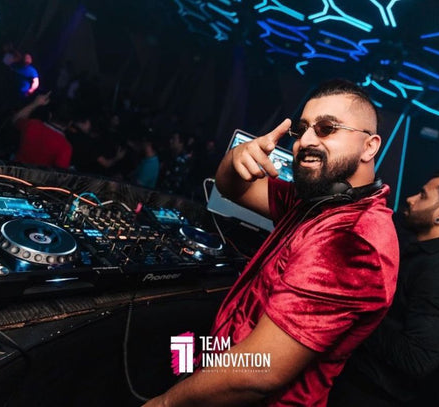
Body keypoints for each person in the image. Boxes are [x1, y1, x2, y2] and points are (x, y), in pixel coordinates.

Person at [143, 79, 399, 406]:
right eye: (302, 129)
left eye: (326, 128)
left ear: (369, 147)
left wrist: (165, 403)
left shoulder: (352, 239)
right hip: (221, 373)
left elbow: (258, 372)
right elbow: (233, 188)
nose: (306, 141)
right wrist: (237, 156)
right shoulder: (318, 203)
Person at [328, 171, 439, 407]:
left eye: (423, 195)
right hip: (353, 378)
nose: (411, 199)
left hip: (368, 394)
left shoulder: (437, 273)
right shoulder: (416, 248)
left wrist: (359, 314)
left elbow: (419, 358)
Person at [12, 92, 72, 169]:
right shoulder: (65, 146)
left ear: (50, 115)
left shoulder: (33, 125)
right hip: (35, 177)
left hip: (14, 171)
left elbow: (16, 119)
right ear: (70, 123)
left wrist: (35, 103)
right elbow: (60, 173)